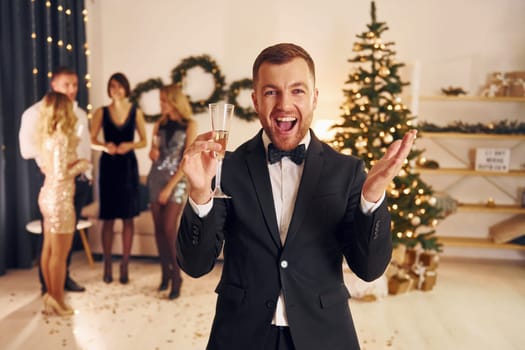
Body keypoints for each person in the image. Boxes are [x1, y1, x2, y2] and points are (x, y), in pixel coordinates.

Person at [176, 43, 417, 350]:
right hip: (240, 335)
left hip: (324, 336)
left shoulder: (347, 171)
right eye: (271, 92)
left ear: (314, 98)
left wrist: (372, 196)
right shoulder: (227, 169)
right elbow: (195, 266)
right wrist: (199, 192)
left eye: (298, 91)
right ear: (255, 101)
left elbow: (369, 269)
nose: (284, 104)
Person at [19, 66, 92, 294]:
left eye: (75, 85)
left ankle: (62, 279)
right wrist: (50, 164)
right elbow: (27, 148)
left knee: (65, 238)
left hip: (76, 182)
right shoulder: (34, 113)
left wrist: (86, 172)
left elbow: (84, 147)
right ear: (54, 85)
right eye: (66, 84)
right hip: (53, 182)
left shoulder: (79, 113)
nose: (71, 89)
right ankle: (49, 286)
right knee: (51, 239)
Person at [37, 92, 90, 316]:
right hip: (60, 199)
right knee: (60, 254)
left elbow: (54, 168)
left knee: (49, 249)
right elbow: (61, 174)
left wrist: (74, 162)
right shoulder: (61, 136)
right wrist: (83, 164)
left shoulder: (49, 136)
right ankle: (57, 299)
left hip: (48, 196)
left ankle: (51, 296)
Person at [90, 72, 147, 284]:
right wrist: (106, 146)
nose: (117, 90)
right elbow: (92, 140)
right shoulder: (101, 112)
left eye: (120, 86)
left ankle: (124, 263)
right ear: (109, 89)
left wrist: (128, 146)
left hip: (128, 167)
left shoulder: (135, 112)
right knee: (108, 218)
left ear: (126, 88)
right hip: (108, 166)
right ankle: (107, 262)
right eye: (113, 86)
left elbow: (144, 141)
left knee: (128, 217)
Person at [146, 84, 197, 299]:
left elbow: (187, 160)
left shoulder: (190, 125)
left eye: (164, 101)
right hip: (155, 177)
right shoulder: (159, 124)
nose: (161, 105)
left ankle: (177, 277)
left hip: (177, 181)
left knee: (168, 229)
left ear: (174, 101)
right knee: (158, 230)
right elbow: (153, 151)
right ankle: (165, 274)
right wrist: (152, 151)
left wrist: (169, 187)